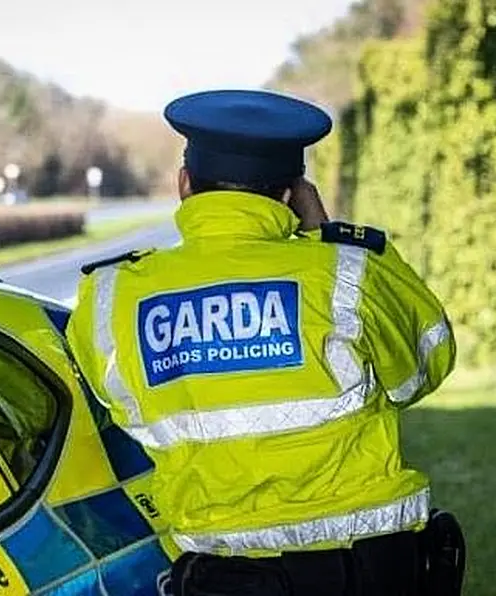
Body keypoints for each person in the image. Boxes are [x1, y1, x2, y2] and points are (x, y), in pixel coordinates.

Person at [66, 89, 465, 596]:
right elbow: (425, 364)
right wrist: (328, 235)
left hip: (225, 579)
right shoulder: (347, 272)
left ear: (185, 185)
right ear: (290, 197)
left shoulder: (112, 294)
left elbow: (119, 406)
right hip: (370, 570)